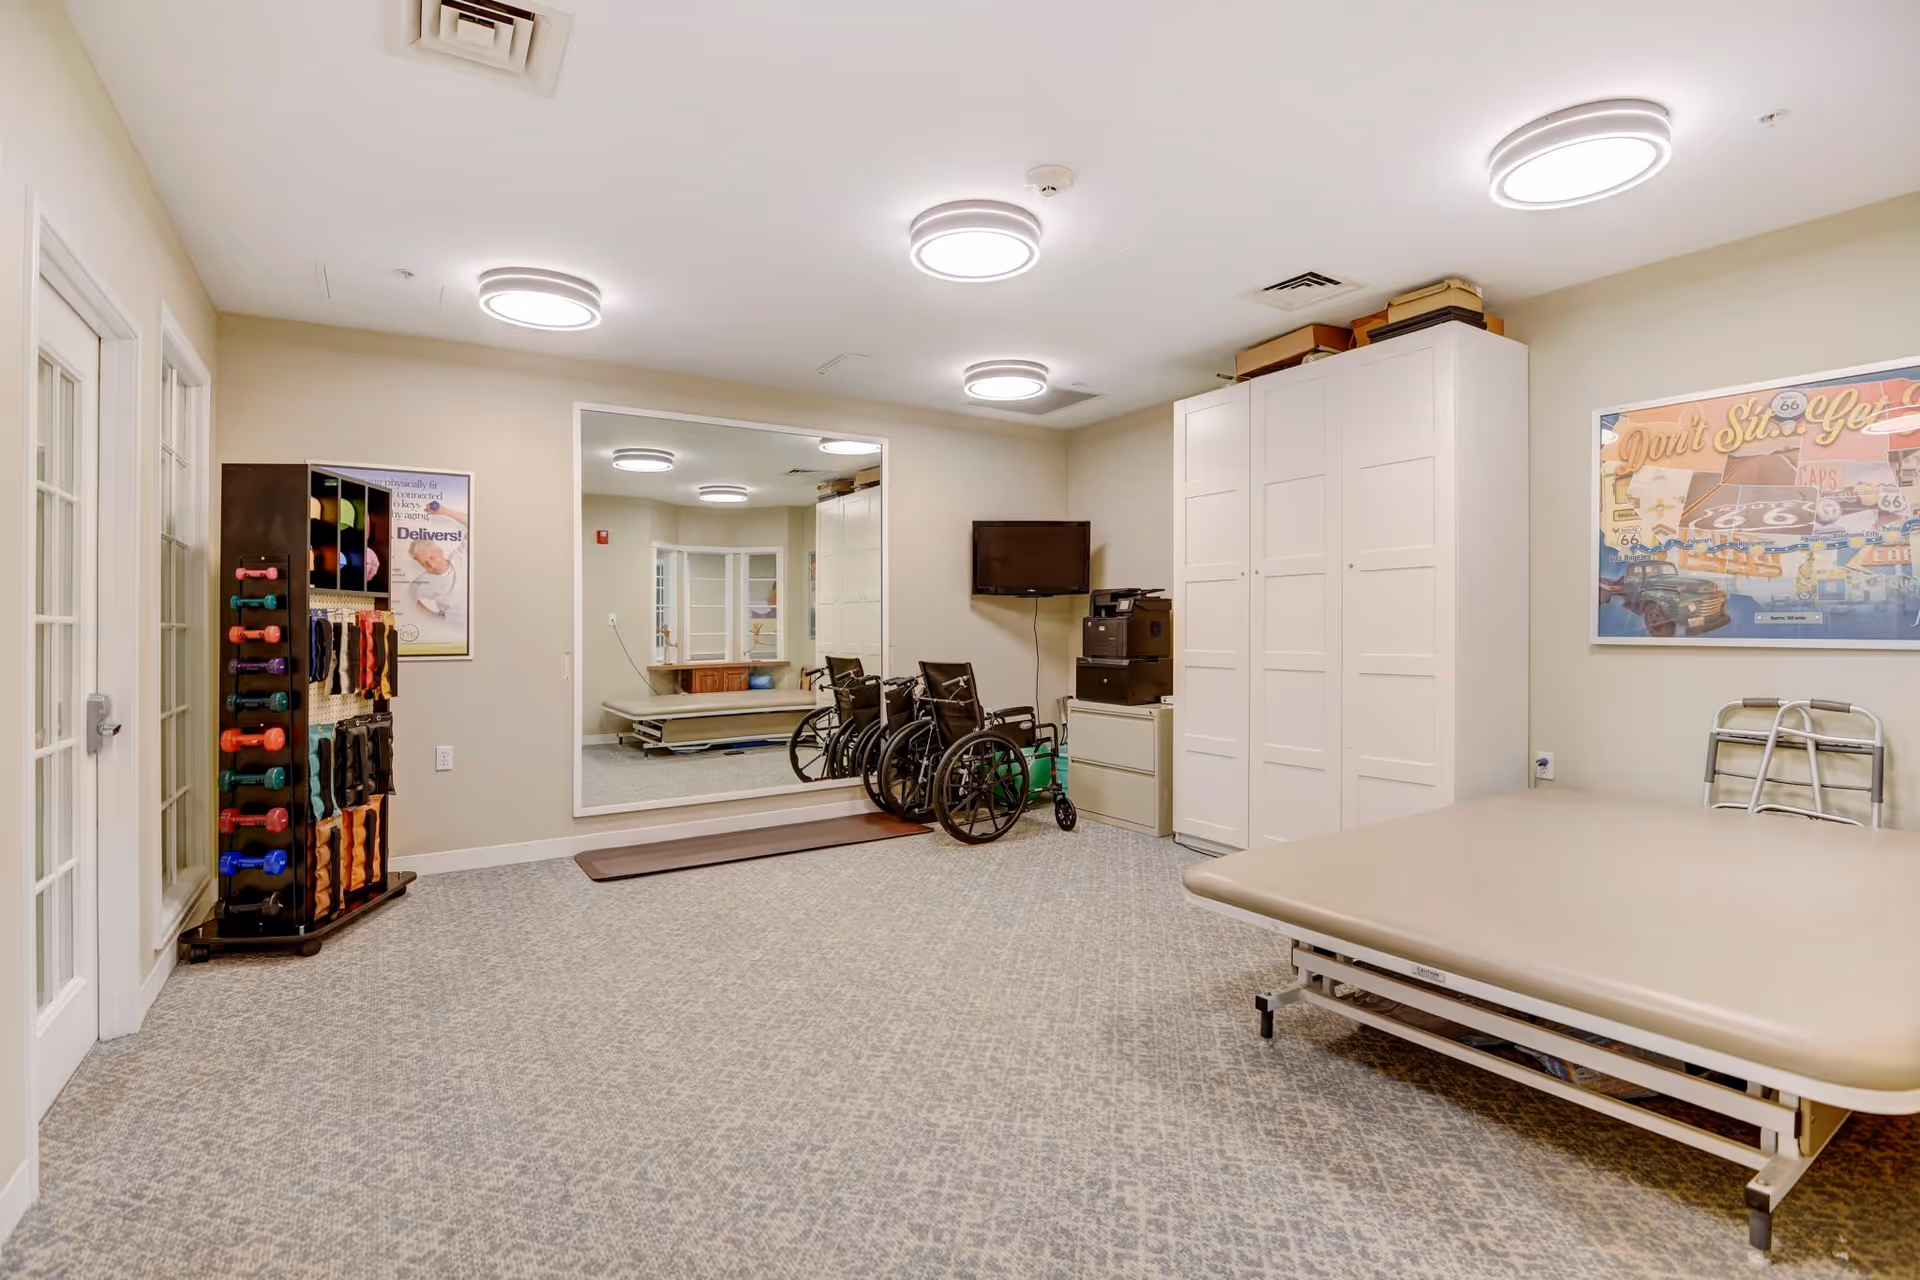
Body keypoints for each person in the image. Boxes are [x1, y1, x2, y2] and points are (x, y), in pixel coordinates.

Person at [408, 500, 467, 620]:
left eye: (431, 557)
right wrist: (436, 619)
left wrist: (444, 511)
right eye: (425, 563)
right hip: (452, 631)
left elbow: (474, 524)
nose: (432, 565)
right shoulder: (421, 582)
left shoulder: (461, 557)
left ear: (439, 551)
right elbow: (408, 601)